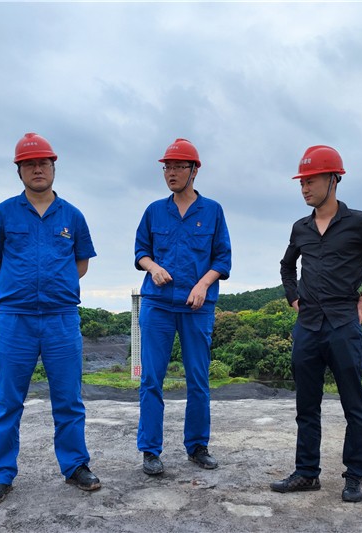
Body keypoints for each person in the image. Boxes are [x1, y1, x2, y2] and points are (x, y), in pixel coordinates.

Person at [272, 145, 362, 502]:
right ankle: (306, 473)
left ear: (333, 180)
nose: (304, 188)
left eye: (311, 181)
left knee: (353, 404)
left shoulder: (360, 222)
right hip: (308, 324)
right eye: (302, 182)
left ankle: (356, 475)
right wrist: (293, 296)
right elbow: (287, 266)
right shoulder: (300, 228)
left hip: (343, 323)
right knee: (306, 406)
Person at [0, 132, 101, 505]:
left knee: (68, 399)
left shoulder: (72, 216)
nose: (37, 169)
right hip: (15, 319)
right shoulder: (2, 214)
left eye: (43, 163)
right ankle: (1, 473)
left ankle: (75, 466)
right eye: (29, 164)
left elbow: (80, 265)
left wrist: (54, 288)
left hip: (62, 318)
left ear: (53, 167)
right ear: (19, 170)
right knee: (8, 400)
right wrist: (20, 290)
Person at [134, 138, 232, 476]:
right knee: (151, 378)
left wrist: (203, 284)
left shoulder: (213, 211)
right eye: (167, 167)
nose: (171, 173)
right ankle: (150, 451)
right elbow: (141, 252)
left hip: (197, 307)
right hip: (158, 305)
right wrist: (153, 267)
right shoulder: (154, 211)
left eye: (178, 167)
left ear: (194, 171)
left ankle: (197, 446)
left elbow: (222, 258)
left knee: (198, 379)